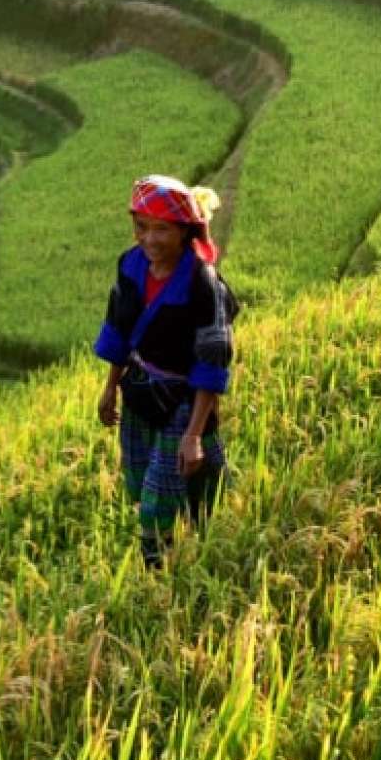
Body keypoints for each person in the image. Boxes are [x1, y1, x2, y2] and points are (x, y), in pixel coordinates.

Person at [94, 175, 238, 569]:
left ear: (183, 231)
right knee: (141, 479)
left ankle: (157, 567)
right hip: (139, 390)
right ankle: (212, 509)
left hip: (182, 399)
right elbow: (119, 327)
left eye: (162, 229)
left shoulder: (202, 284)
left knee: (160, 493)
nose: (150, 239)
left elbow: (212, 360)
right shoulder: (130, 265)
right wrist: (110, 389)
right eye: (142, 227)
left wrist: (192, 434)